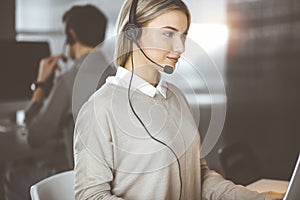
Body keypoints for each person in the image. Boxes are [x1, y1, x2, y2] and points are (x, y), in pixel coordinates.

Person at [73, 0, 284, 199]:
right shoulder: (99, 109)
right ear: (132, 34)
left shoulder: (175, 96)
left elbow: (199, 176)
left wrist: (255, 197)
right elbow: (90, 196)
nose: (180, 48)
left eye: (183, 35)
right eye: (168, 34)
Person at [4, 4, 116, 200]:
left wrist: (40, 83)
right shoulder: (117, 73)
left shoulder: (69, 80)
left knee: (13, 176)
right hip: (114, 181)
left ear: (71, 35)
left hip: (81, 181)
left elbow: (35, 137)